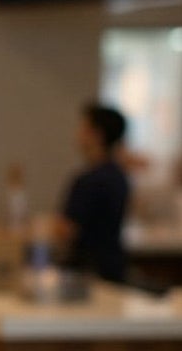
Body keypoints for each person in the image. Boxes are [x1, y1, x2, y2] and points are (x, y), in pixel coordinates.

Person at [55, 102, 131, 284]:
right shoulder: (119, 175)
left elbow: (66, 230)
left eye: (83, 128)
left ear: (96, 135)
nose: (78, 134)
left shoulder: (88, 180)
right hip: (113, 267)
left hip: (87, 272)